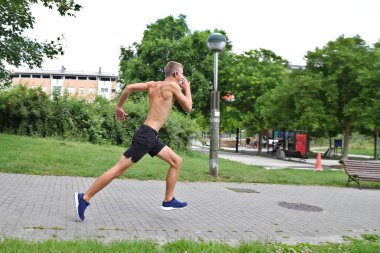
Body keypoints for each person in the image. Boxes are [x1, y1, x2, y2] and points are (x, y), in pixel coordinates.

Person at [74, 61, 192, 221]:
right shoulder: (174, 86)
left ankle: (168, 200)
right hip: (146, 137)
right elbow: (188, 107)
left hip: (149, 136)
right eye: (182, 75)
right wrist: (187, 88)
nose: (182, 78)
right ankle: (84, 197)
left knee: (176, 161)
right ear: (176, 74)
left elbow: (128, 87)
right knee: (118, 169)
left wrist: (119, 107)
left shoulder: (153, 84)